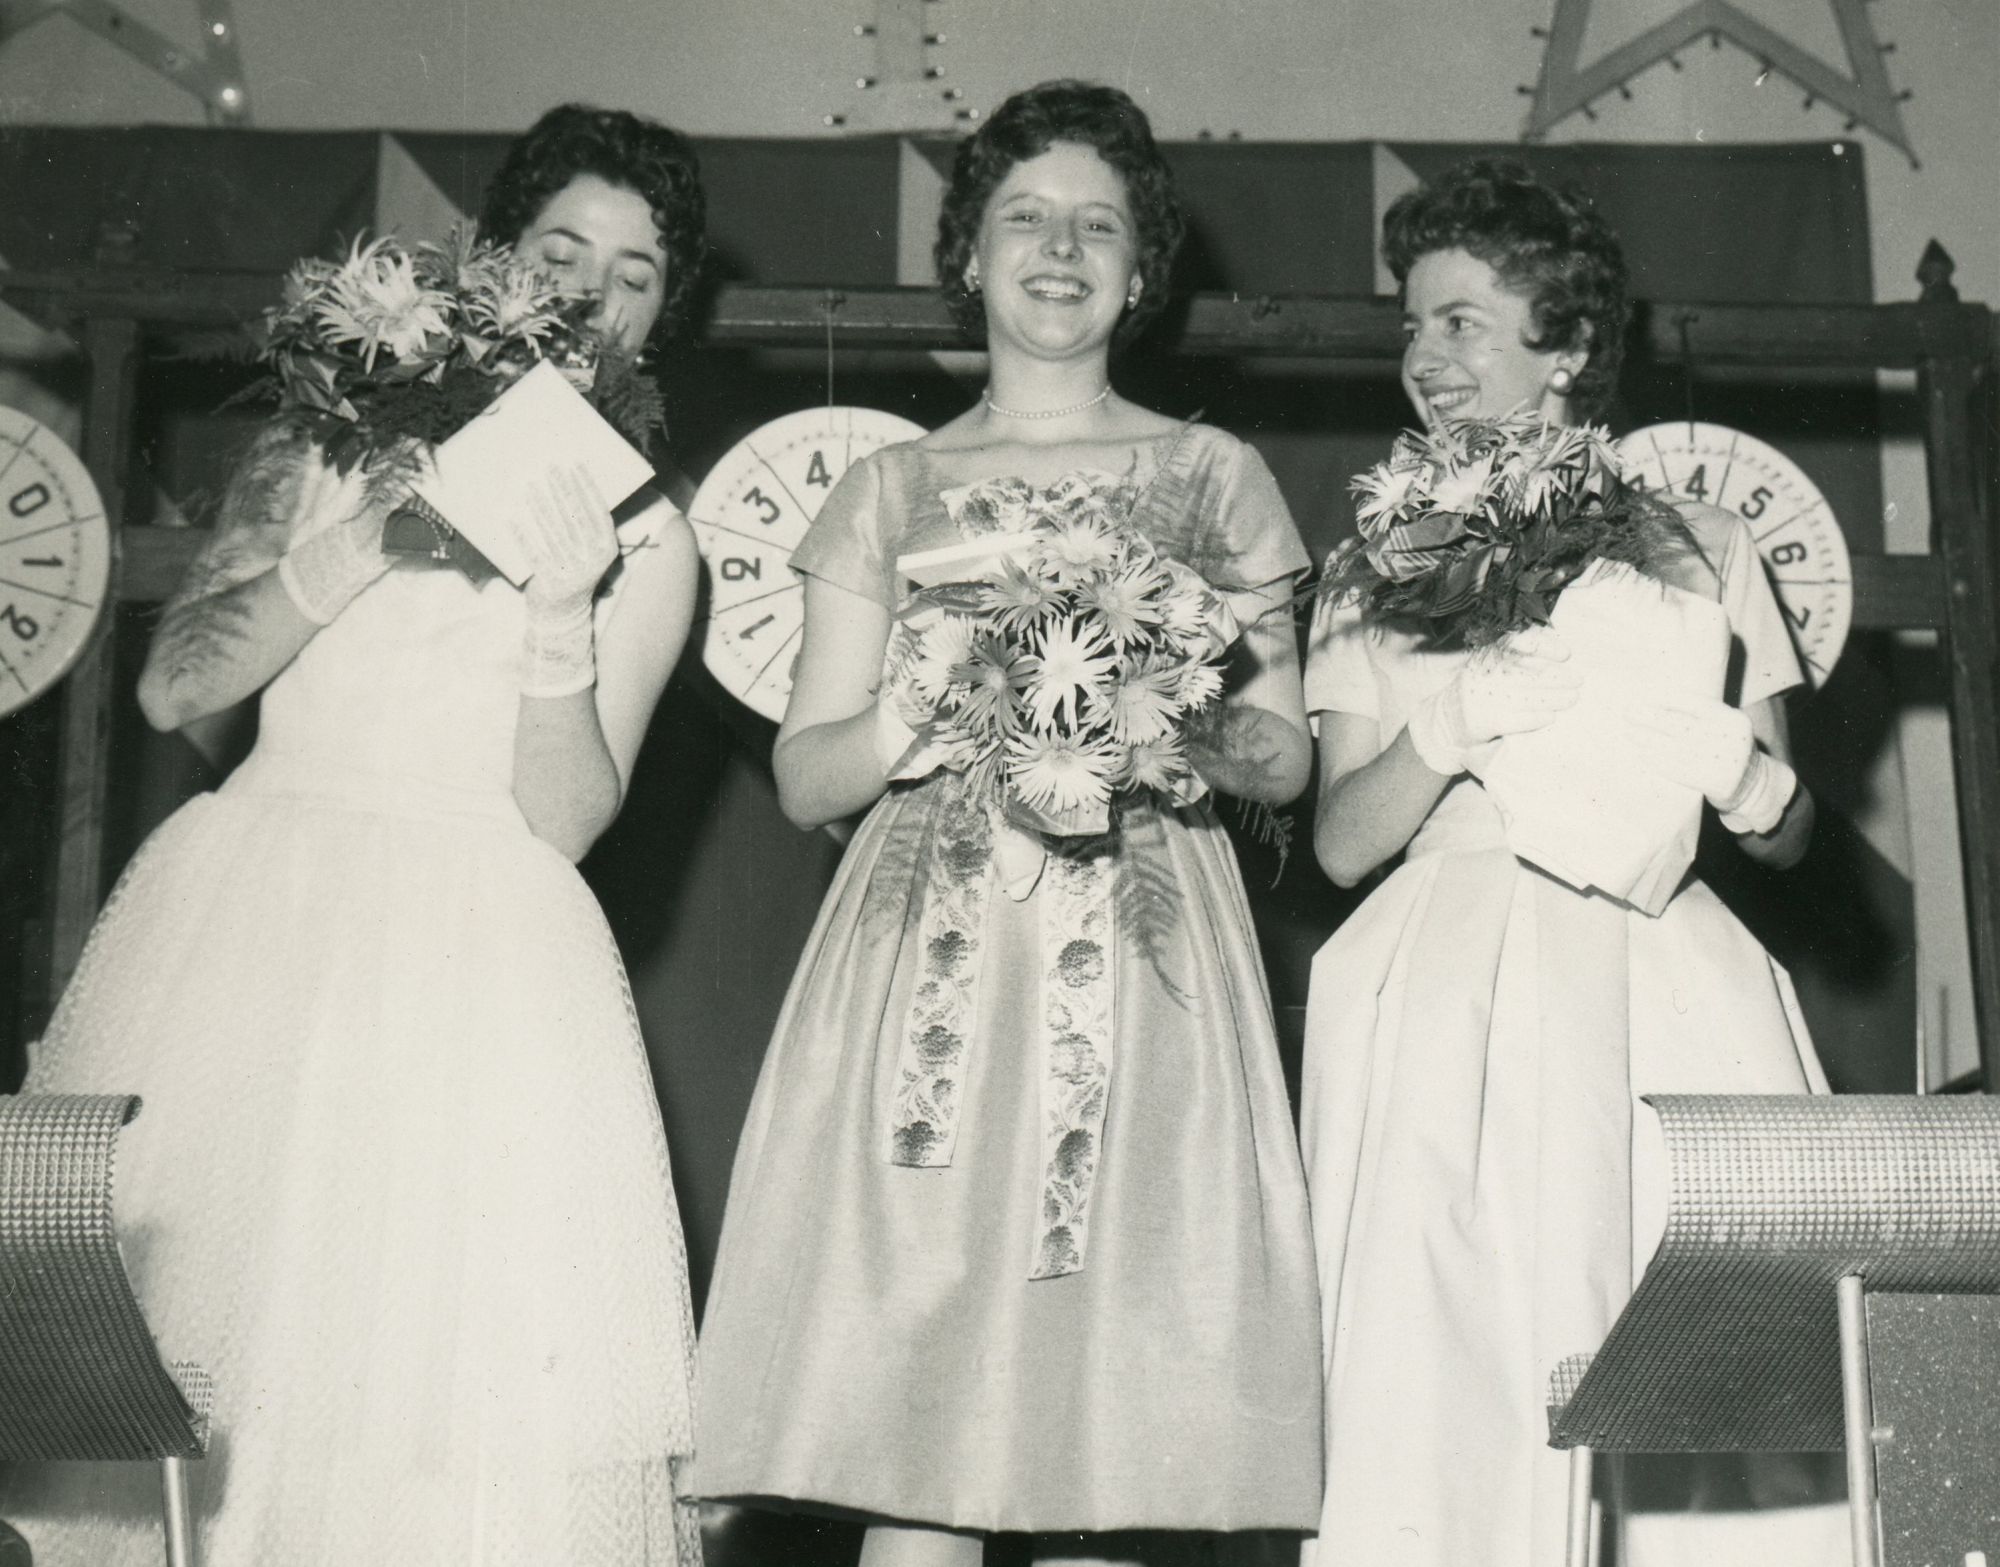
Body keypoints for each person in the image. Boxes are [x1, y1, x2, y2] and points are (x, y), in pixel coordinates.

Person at [1, 104, 708, 1565]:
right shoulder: (326, 437)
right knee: (196, 1393)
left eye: (634, 273)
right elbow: (174, 685)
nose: (588, 293)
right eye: (562, 249)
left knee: (425, 1411)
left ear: (661, 315)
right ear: (497, 260)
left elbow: (567, 820)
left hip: (475, 971)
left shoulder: (654, 538)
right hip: (255, 933)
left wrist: (565, 615)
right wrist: (370, 536)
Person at [693, 80, 1322, 1567]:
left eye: (1099, 225)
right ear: (966, 254)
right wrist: (918, 706)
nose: (1060, 248)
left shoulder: (1213, 473)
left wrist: (1168, 724)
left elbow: (1283, 759)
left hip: (1141, 949)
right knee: (920, 1426)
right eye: (1023, 219)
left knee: (1093, 1427)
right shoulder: (890, 485)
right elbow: (808, 777)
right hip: (933, 964)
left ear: (1143, 271)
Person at [1299, 159, 1839, 1567]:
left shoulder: (1700, 543)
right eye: (1414, 326)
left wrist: (1741, 770)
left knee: (1698, 1376)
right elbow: (1346, 845)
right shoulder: (1373, 562)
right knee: (1449, 1383)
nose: (1426, 358)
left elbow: (1783, 837)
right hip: (1447, 980)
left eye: (1465, 322)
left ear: (1572, 350)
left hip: (1653, 968)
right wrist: (1449, 725)